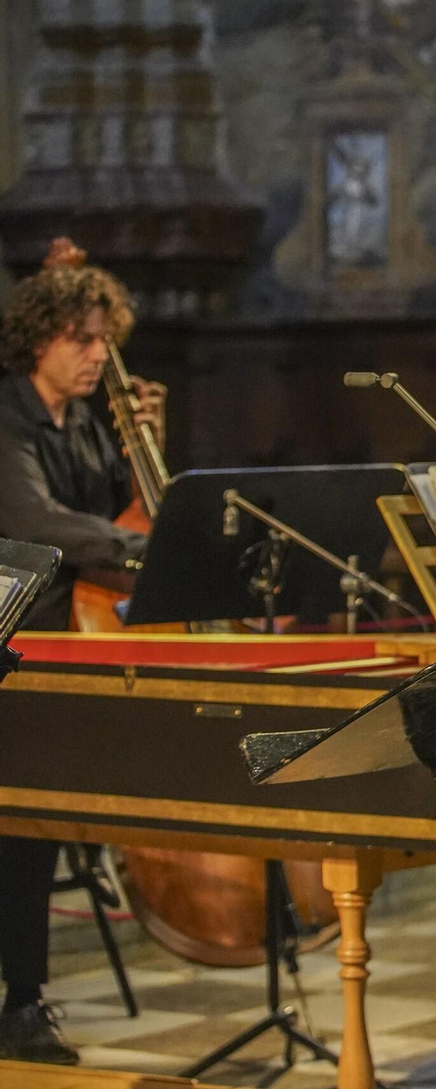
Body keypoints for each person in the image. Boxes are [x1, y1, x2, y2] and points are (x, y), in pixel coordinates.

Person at [0, 252, 164, 1065]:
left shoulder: (86, 423)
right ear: (38, 338)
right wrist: (144, 545)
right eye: (81, 339)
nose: (98, 354)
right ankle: (21, 999)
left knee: (33, 818)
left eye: (104, 340)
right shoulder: (7, 418)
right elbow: (39, 522)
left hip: (63, 647)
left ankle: (23, 998)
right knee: (20, 818)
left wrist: (145, 446)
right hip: (11, 648)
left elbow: (114, 509)